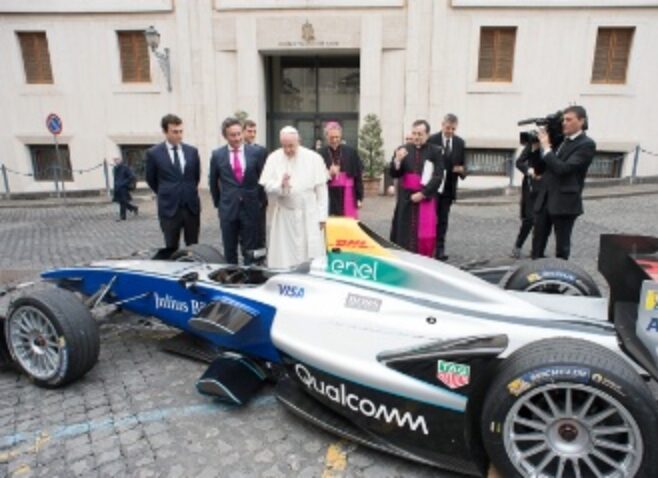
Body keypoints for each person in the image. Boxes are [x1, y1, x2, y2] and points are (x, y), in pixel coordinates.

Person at [259, 126, 328, 269]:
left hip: (309, 214)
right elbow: (266, 185)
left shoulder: (314, 158)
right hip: (285, 215)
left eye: (291, 146)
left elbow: (322, 191)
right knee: (284, 254)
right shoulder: (273, 157)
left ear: (299, 141)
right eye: (284, 146)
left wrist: (322, 217)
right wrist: (280, 184)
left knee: (310, 253)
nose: (288, 150)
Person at [532, 105, 595, 260]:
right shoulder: (560, 140)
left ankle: (560, 276)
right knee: (537, 243)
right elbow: (541, 168)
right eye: (563, 120)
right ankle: (534, 274)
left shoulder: (586, 144)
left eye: (569, 119)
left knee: (562, 247)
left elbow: (563, 169)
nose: (564, 123)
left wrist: (546, 147)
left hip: (565, 202)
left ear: (581, 121)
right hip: (545, 199)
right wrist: (537, 149)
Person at [209, 117, 265, 265]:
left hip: (250, 208)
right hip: (228, 209)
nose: (237, 138)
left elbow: (262, 180)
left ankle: (250, 278)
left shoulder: (255, 153)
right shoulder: (217, 155)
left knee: (250, 249)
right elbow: (213, 182)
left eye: (239, 134)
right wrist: (219, 204)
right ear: (225, 136)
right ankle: (232, 277)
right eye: (232, 135)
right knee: (229, 248)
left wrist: (260, 203)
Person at [145, 114, 201, 253]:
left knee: (193, 247)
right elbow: (151, 179)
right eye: (175, 132)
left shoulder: (192, 152)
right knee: (171, 247)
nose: (179, 135)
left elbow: (195, 177)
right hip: (169, 208)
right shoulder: (154, 153)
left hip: (191, 207)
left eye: (181, 131)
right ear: (165, 132)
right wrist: (167, 192)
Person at [389, 120, 444, 257]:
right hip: (406, 198)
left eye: (420, 134)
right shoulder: (403, 149)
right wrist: (397, 161)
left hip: (426, 197)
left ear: (427, 135)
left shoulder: (435, 151)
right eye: (414, 133)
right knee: (404, 231)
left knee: (425, 233)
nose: (416, 137)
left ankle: (424, 259)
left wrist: (423, 193)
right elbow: (395, 173)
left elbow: (438, 176)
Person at [427, 114, 466, 261]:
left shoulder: (460, 142)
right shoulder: (432, 140)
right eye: (448, 128)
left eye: (453, 129)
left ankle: (440, 249)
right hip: (434, 188)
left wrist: (462, 170)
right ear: (442, 125)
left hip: (449, 188)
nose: (450, 131)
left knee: (443, 219)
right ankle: (428, 247)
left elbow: (463, 165)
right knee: (431, 218)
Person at [318, 122, 364, 218]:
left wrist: (359, 197)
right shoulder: (320, 154)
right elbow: (315, 177)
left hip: (348, 193)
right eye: (332, 137)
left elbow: (358, 175)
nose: (334, 140)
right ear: (326, 137)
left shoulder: (351, 152)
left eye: (337, 137)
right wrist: (328, 173)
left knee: (348, 224)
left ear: (341, 136)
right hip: (329, 193)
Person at [511, 143, 544, 258]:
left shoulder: (555, 144)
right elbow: (519, 162)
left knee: (542, 219)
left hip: (547, 185)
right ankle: (518, 245)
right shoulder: (533, 143)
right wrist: (530, 171)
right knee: (529, 218)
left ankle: (537, 249)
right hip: (531, 186)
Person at [242, 119, 269, 248]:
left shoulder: (261, 151)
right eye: (249, 131)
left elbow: (265, 174)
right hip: (241, 197)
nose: (252, 134)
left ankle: (260, 255)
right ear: (242, 132)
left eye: (254, 131)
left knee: (260, 230)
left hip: (258, 197)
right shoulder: (236, 151)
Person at [112, 156, 138, 221]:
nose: (115, 161)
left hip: (123, 188)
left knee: (122, 202)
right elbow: (115, 179)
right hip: (117, 188)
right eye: (114, 160)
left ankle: (122, 217)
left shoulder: (125, 168)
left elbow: (131, 176)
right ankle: (134, 208)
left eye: (117, 159)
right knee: (121, 201)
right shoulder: (115, 168)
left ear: (121, 160)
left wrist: (123, 183)